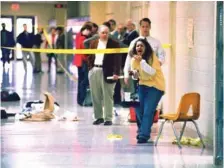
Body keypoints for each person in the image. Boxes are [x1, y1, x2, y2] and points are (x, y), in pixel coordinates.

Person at [130, 38, 165, 143]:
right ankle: (142, 130)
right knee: (139, 110)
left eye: (141, 46)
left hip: (155, 86)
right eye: (137, 46)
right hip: (143, 84)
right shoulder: (134, 60)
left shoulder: (152, 57)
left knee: (148, 111)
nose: (139, 47)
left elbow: (152, 72)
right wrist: (134, 74)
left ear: (146, 48)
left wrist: (142, 62)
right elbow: (136, 77)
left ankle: (143, 135)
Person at [87, 25, 121, 126]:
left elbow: (117, 60)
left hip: (108, 72)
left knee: (108, 96)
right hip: (94, 70)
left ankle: (108, 118)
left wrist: (116, 73)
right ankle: (99, 117)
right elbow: (90, 56)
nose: (105, 34)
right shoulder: (93, 43)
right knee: (95, 95)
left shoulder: (114, 44)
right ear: (98, 33)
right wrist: (90, 68)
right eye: (103, 32)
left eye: (107, 32)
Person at [73, 24, 92, 106]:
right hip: (83, 62)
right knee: (84, 81)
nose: (89, 33)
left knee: (80, 81)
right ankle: (83, 99)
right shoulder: (83, 38)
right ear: (86, 30)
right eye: (89, 31)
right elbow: (84, 51)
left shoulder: (78, 36)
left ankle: (80, 100)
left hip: (78, 61)